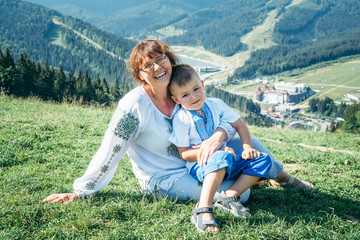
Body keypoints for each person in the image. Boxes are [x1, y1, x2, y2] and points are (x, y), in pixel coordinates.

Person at [42, 40, 313, 214]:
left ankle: (286, 179)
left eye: (161, 60)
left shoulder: (181, 91)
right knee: (247, 191)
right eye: (148, 66)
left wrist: (218, 136)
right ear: (140, 75)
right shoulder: (133, 105)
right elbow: (110, 149)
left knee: (252, 147)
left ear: (170, 61)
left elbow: (222, 121)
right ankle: (248, 182)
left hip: (202, 161)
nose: (157, 68)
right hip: (166, 176)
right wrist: (82, 190)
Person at [168, 64, 272, 233]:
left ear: (202, 84)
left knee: (262, 159)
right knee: (220, 157)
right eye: (185, 95)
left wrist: (247, 148)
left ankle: (228, 197)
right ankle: (202, 210)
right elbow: (185, 154)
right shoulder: (181, 119)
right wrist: (216, 152)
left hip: (227, 159)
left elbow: (240, 125)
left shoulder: (216, 104)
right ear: (176, 100)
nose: (193, 97)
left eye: (196, 89)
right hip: (201, 165)